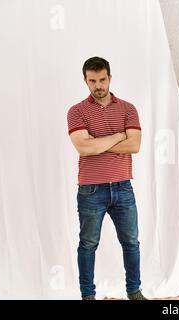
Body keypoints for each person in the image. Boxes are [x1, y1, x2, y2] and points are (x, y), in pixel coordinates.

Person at [67, 57, 147, 300]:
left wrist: (98, 142)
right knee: (88, 244)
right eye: (92, 81)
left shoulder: (128, 109)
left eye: (102, 79)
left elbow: (135, 145)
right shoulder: (77, 111)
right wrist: (118, 136)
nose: (98, 85)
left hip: (123, 186)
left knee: (131, 243)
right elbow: (84, 148)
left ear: (110, 78)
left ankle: (134, 293)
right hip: (91, 189)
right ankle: (88, 296)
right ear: (85, 81)